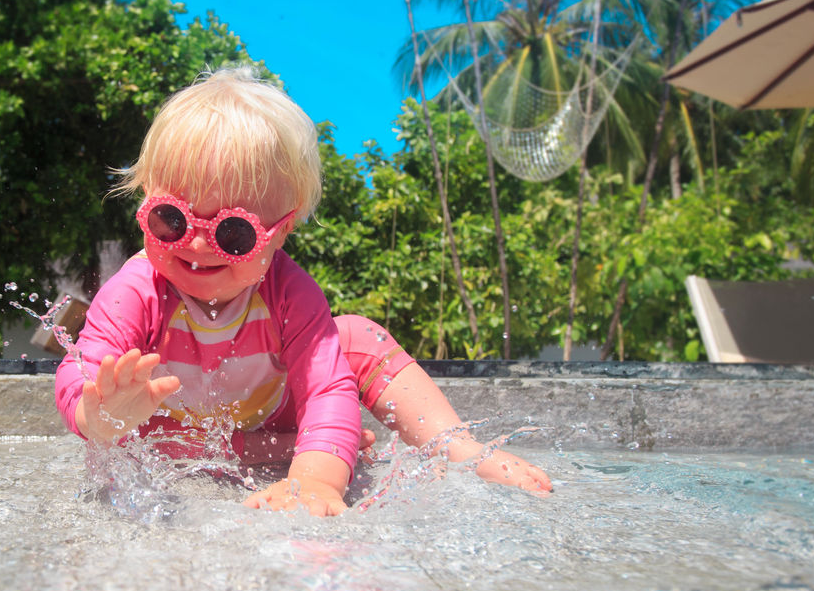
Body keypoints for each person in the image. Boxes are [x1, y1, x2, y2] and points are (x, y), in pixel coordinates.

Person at [54, 67, 551, 517]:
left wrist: (315, 482)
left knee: (356, 337)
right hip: (175, 432)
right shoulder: (136, 290)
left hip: (274, 413)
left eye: (233, 233)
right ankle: (307, 445)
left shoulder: (291, 293)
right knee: (132, 437)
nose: (199, 242)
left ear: (280, 232)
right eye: (171, 219)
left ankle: (456, 446)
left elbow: (327, 389)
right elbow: (80, 369)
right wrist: (97, 413)